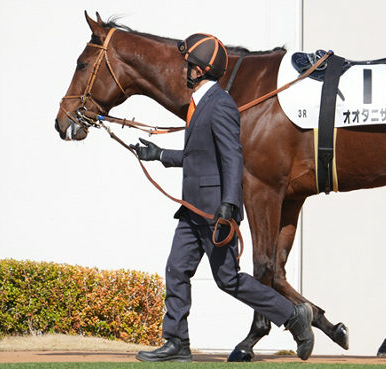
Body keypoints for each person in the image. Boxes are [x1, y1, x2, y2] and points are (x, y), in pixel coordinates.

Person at [131, 33, 314, 362]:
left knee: (228, 280)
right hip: (191, 210)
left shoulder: (221, 105)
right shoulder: (198, 104)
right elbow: (197, 154)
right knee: (176, 270)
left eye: (188, 65)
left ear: (200, 71)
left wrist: (230, 204)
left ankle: (292, 315)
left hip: (215, 211)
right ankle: (176, 343)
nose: (183, 70)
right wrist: (158, 154)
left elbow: (233, 157)